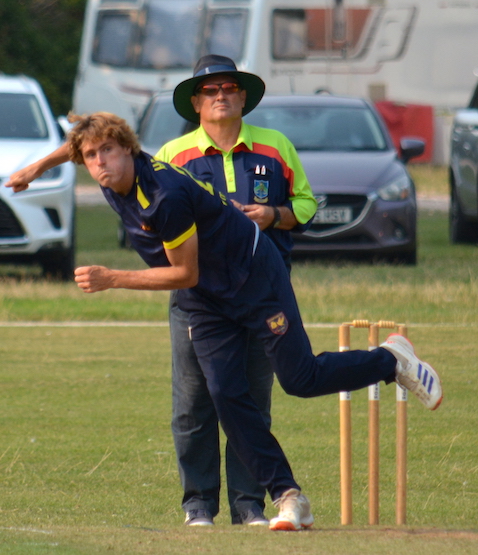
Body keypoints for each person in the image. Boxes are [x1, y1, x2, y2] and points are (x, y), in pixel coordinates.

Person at [4, 112, 443, 532]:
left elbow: (184, 273)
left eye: (107, 152)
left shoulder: (163, 197)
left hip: (253, 277)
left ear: (128, 150)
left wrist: (111, 278)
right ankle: (288, 495)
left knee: (300, 378)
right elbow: (76, 146)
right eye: (91, 155)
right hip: (207, 299)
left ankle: (390, 360)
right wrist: (35, 168)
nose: (99, 162)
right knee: (224, 394)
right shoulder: (108, 170)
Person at [156, 54, 317, 527]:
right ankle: (198, 505)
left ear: (243, 96)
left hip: (261, 295)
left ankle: (248, 505)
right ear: (195, 102)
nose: (221, 95)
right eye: (210, 90)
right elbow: (154, 223)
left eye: (229, 88)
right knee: (193, 403)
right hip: (198, 297)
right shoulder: (173, 155)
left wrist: (274, 216)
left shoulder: (276, 147)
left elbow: (306, 204)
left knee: (249, 399)